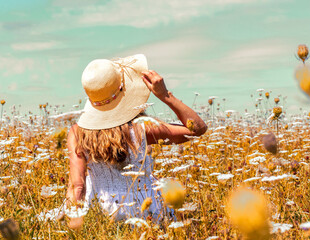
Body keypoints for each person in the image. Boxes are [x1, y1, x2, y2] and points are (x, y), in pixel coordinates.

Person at [65, 54, 207, 221]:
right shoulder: (141, 128)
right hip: (143, 210)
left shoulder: (77, 132)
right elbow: (197, 129)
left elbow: (78, 185)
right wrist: (165, 95)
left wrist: (76, 220)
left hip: (100, 209)